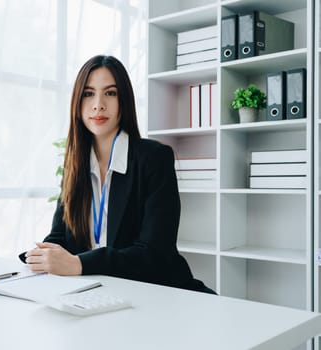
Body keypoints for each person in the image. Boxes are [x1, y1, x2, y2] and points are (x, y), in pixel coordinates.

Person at [21, 55, 215, 294]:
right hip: (99, 291)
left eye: (110, 93)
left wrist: (79, 264)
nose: (98, 105)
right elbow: (60, 237)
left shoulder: (155, 158)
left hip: (161, 292)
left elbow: (153, 253)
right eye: (89, 93)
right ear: (77, 103)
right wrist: (43, 256)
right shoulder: (75, 165)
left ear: (124, 100)